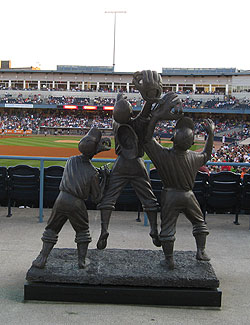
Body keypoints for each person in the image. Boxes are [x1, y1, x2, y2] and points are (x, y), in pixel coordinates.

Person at [143, 95, 214, 269]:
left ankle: (169, 259)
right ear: (191, 143)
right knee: (199, 223)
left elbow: (147, 140)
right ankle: (201, 251)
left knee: (167, 228)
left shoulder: (164, 156)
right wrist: (211, 134)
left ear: (173, 139)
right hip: (188, 195)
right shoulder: (194, 157)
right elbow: (206, 154)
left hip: (170, 195)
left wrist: (156, 117)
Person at [96, 71, 163, 251]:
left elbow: (119, 110)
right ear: (130, 112)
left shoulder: (116, 123)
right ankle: (154, 230)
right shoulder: (137, 123)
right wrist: (148, 95)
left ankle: (104, 230)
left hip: (120, 164)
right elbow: (147, 111)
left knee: (108, 199)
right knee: (149, 199)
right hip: (137, 165)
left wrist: (120, 97)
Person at [32, 127, 111, 269]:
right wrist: (104, 178)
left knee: (52, 229)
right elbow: (98, 198)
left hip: (61, 199)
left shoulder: (71, 160)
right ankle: (81, 261)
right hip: (76, 203)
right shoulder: (93, 172)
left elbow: (81, 168)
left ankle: (42, 258)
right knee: (82, 232)